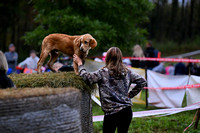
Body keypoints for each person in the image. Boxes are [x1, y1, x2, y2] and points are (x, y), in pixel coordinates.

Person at [73, 47, 146, 133]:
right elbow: (142, 81)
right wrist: (131, 94)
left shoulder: (103, 72)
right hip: (126, 111)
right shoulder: (127, 72)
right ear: (120, 58)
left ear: (107, 58)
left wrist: (80, 64)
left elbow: (87, 78)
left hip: (111, 113)